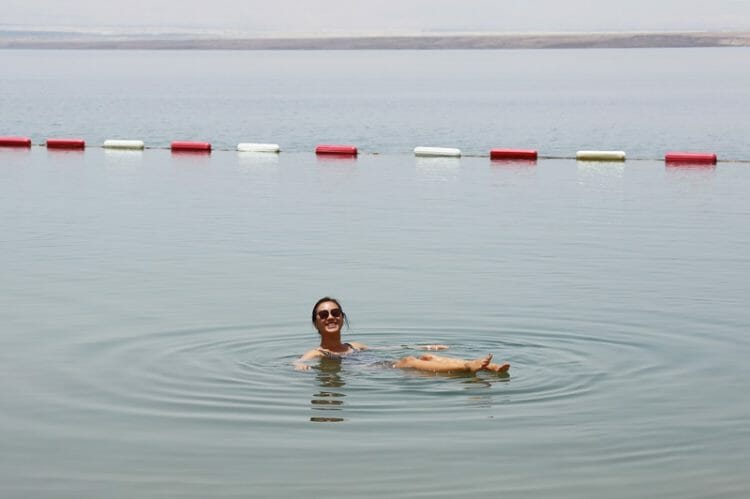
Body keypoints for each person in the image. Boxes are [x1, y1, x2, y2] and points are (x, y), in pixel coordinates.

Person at [294, 297, 510, 374]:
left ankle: (486, 367)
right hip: (380, 371)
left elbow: (389, 349)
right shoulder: (319, 352)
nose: (330, 317)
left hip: (386, 363)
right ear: (316, 323)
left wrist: (427, 347)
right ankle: (467, 367)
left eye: (335, 313)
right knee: (409, 362)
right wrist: (300, 366)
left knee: (424, 358)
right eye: (323, 314)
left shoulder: (354, 345)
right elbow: (300, 361)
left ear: (342, 318)